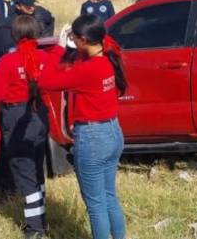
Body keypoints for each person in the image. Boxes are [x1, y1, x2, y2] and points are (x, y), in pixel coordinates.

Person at [39, 15, 128, 239]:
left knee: (95, 204)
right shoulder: (108, 57)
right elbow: (81, 60)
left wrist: (58, 50)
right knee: (109, 196)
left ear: (84, 40)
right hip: (112, 132)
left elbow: (46, 81)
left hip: (92, 137)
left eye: (74, 38)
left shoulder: (87, 71)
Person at [0, 15, 52, 239]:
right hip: (39, 113)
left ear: (14, 35)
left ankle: (35, 229)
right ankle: (42, 219)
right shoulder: (44, 57)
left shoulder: (8, 61)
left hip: (17, 115)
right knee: (37, 168)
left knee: (24, 172)